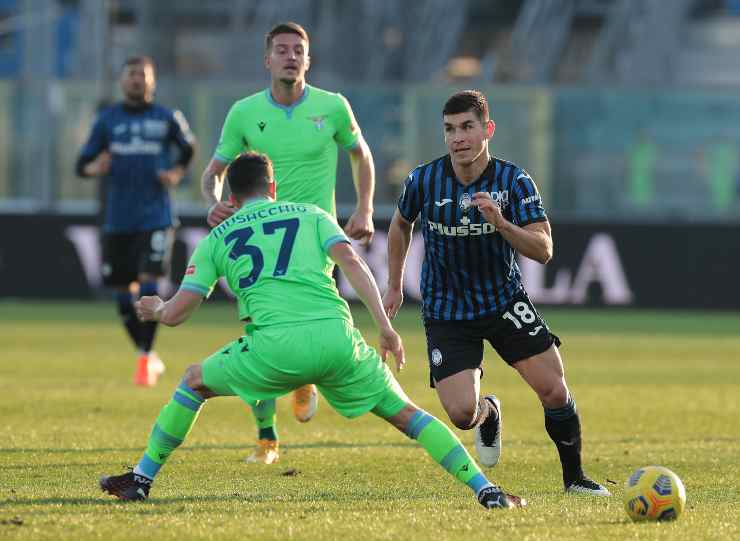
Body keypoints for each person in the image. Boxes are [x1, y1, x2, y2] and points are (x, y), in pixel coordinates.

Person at [99, 152, 525, 510]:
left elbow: (177, 314)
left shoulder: (217, 237)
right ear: (272, 188)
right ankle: (484, 490)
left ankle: (141, 478)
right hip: (338, 342)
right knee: (412, 417)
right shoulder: (311, 214)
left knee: (193, 381)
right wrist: (385, 328)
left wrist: (156, 310)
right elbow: (354, 264)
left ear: (231, 196)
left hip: (273, 349)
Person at [382, 90, 610, 496]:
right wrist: (395, 283)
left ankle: (575, 479)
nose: (458, 138)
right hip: (447, 308)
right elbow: (400, 224)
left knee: (554, 390)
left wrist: (502, 224)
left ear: (487, 129)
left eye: (467, 127)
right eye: (450, 129)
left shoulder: (513, 181)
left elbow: (544, 250)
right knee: (460, 413)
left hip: (503, 301)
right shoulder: (424, 180)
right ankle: (488, 413)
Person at [200, 22, 376, 464]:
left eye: (298, 50)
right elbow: (213, 172)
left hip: (314, 238)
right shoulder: (243, 113)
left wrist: (365, 208)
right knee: (259, 329)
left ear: (308, 60)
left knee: (297, 320)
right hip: (259, 238)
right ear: (267, 60)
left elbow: (362, 154)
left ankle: (302, 382)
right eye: (282, 50)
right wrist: (215, 202)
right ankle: (267, 438)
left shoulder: (332, 107)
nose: (290, 56)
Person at [76, 55, 196, 387]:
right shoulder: (107, 120)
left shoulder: (167, 117)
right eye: (131, 75)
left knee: (148, 283)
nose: (136, 80)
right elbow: (81, 164)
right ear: (121, 80)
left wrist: (176, 172)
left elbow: (188, 148)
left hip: (156, 216)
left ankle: (145, 357)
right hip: (118, 219)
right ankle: (146, 353)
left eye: (142, 75)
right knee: (121, 294)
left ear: (152, 81)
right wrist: (94, 168)